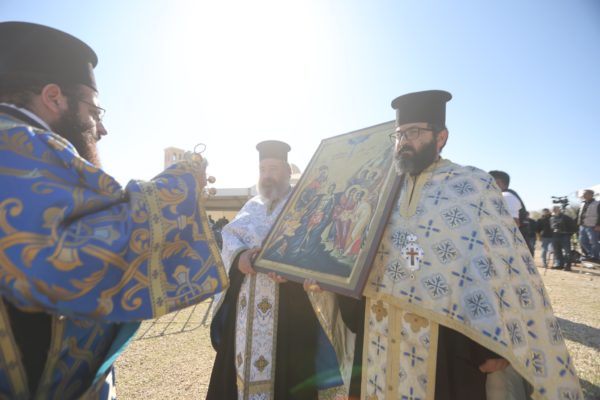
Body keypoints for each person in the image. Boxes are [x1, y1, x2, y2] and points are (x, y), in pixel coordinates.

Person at [0, 22, 227, 399]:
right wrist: (180, 185)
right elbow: (65, 255)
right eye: (95, 110)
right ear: (54, 97)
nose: (101, 128)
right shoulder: (15, 143)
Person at [355, 90, 582, 399]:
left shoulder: (472, 184)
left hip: (450, 335)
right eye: (399, 135)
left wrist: (492, 347)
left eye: (414, 132)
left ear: (441, 137)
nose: (404, 141)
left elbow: (499, 266)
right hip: (382, 326)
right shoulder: (384, 191)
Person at [207, 140, 355, 399]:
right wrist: (241, 257)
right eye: (262, 169)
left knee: (290, 377)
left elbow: (316, 246)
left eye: (273, 168)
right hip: (246, 310)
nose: (266, 175)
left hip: (291, 307)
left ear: (287, 171)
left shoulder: (306, 204)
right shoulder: (252, 205)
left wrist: (291, 268)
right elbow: (230, 238)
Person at [489, 170, 533, 254]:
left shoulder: (506, 197)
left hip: (514, 250)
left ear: (497, 182)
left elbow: (514, 223)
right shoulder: (505, 196)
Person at [550, 206, 576, 271]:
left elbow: (573, 226)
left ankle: (568, 265)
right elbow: (551, 227)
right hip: (555, 236)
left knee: (567, 252)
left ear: (559, 210)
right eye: (553, 209)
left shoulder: (566, 217)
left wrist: (569, 234)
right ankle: (559, 264)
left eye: (556, 209)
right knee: (557, 251)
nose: (554, 210)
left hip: (565, 235)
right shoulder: (551, 218)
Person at [577, 189, 600, 262]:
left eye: (585, 194)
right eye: (583, 194)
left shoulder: (597, 203)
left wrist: (598, 225)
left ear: (591, 195)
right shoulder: (582, 203)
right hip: (582, 226)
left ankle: (596, 257)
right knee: (582, 241)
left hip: (592, 226)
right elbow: (579, 214)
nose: (583, 195)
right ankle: (591, 254)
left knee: (594, 242)